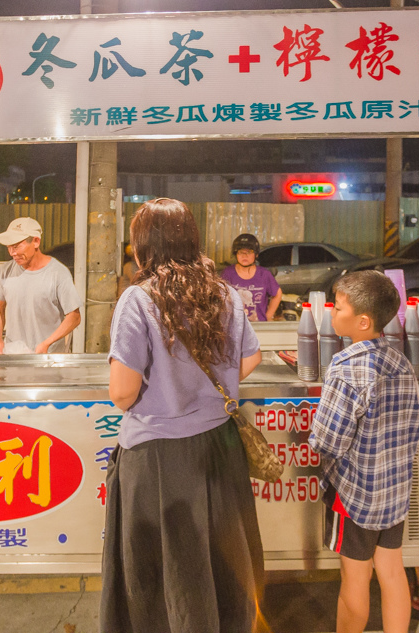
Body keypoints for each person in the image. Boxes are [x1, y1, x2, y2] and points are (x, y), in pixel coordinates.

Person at [102, 198, 265, 633]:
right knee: (220, 569)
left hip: (157, 461)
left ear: (143, 247)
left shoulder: (137, 300)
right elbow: (250, 358)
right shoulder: (225, 293)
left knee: (162, 580)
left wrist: (170, 389)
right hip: (218, 450)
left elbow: (122, 392)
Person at [308, 270, 419, 633]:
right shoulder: (401, 362)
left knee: (354, 579)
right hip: (394, 493)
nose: (332, 313)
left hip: (354, 495)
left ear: (361, 321)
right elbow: (416, 423)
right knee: (391, 571)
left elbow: (328, 440)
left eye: (338, 307)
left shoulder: (345, 368)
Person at [0, 217, 82, 354]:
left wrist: (47, 343)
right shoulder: (5, 271)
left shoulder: (58, 273)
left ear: (36, 241)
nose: (12, 253)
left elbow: (74, 316)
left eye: (16, 246)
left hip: (48, 358)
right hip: (15, 357)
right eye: (9, 247)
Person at [221, 233, 283, 322]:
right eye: (240, 252)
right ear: (235, 254)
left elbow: (277, 294)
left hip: (258, 326)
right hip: (235, 326)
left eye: (249, 252)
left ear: (256, 254)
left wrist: (268, 316)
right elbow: (220, 297)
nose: (244, 256)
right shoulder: (228, 273)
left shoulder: (264, 274)